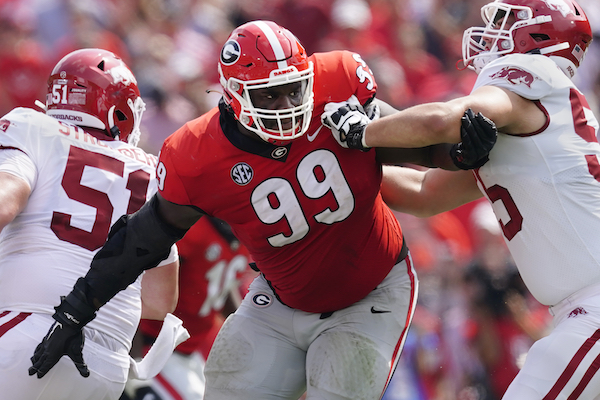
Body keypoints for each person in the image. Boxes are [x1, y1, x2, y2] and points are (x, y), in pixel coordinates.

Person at [28, 21, 496, 400]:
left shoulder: (337, 84)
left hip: (372, 292)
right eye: (268, 96)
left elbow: (413, 144)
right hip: (278, 300)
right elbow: (141, 241)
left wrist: (459, 153)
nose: (287, 105)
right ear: (232, 94)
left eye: (294, 89)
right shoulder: (196, 154)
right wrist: (75, 311)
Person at [330, 0, 599, 398]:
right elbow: (424, 194)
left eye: (507, 21)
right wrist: (328, 169)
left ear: (539, 35)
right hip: (577, 311)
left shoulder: (535, 77)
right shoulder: (536, 129)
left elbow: (441, 120)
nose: (492, 31)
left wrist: (362, 131)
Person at [0, 48, 183, 400]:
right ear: (118, 111)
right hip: (106, 365)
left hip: (25, 331)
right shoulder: (152, 170)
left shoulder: (32, 127)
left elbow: (5, 203)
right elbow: (161, 301)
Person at [123, 217, 254, 400]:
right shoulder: (195, 230)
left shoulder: (238, 233)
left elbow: (218, 280)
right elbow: (137, 289)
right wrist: (134, 360)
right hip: (155, 346)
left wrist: (249, 325)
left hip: (188, 353)